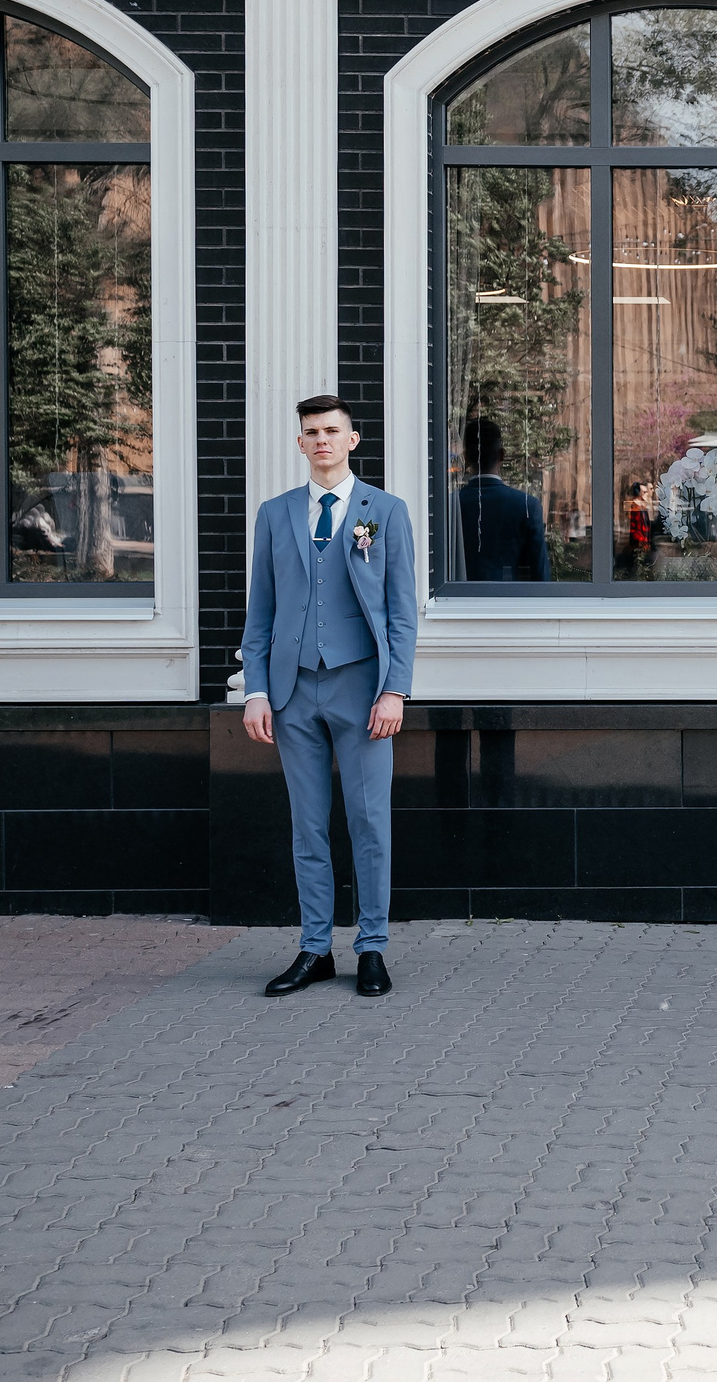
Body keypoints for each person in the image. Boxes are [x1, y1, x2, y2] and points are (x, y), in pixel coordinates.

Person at [240, 394, 419, 999]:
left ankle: (371, 947)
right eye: (311, 432)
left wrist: (395, 690)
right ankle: (315, 948)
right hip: (292, 693)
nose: (321, 440)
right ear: (300, 444)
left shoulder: (385, 512)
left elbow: (401, 613)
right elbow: (259, 611)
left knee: (370, 824)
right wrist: (256, 691)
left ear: (352, 440)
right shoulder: (274, 513)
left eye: (331, 431)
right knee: (307, 827)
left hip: (363, 689)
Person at [454, 416, 551, 581]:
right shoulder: (526, 506)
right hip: (510, 603)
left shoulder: (451, 507)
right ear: (502, 455)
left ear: (466, 458)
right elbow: (540, 577)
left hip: (454, 603)